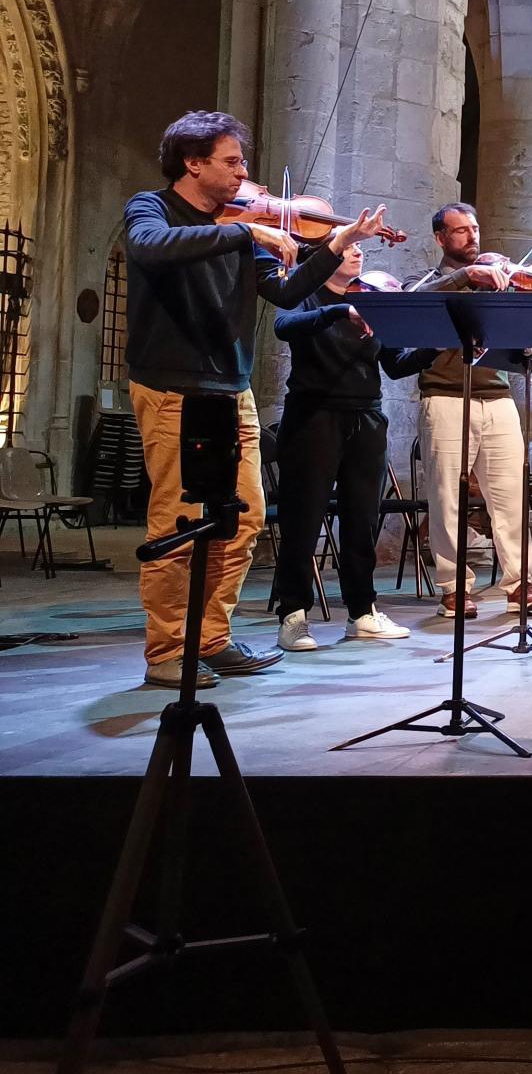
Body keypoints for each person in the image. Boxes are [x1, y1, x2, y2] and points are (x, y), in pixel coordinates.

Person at [124, 109, 390, 688]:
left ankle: (211, 639)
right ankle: (169, 651)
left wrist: (340, 240)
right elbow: (149, 248)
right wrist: (247, 230)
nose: (244, 173)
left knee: (240, 521)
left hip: (230, 385)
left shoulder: (240, 227)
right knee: (178, 522)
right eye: (232, 162)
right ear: (193, 164)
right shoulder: (152, 209)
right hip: (171, 384)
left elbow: (289, 289)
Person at [411, 202, 532, 619]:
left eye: (474, 229)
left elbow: (528, 332)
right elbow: (412, 302)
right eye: (460, 231)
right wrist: (463, 277)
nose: (471, 237)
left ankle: (519, 583)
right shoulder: (433, 282)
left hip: (499, 397)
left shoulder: (500, 284)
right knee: (446, 498)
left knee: (509, 497)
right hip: (446, 396)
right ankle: (454, 586)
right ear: (440, 238)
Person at [269, 243, 438, 651]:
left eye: (361, 247)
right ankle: (293, 616)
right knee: (303, 520)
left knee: (362, 520)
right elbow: (284, 327)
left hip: (367, 418)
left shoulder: (372, 301)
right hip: (314, 416)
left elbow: (396, 364)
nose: (358, 252)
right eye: (349, 247)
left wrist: (438, 346)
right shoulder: (303, 293)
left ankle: (362, 612)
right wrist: (340, 311)